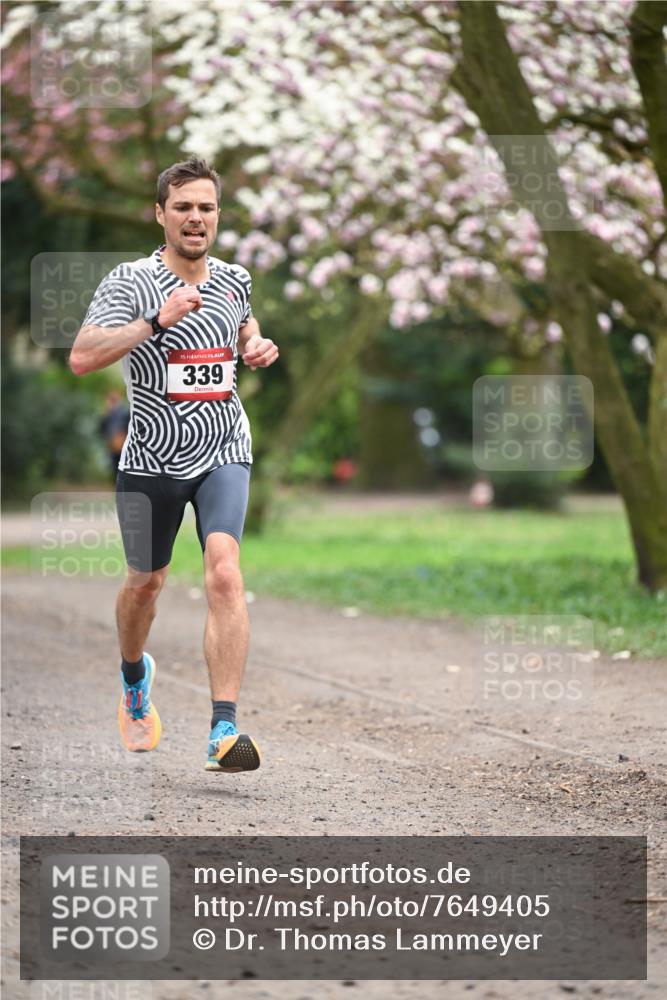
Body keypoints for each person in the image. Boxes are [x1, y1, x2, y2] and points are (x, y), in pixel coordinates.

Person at [69, 156, 279, 773]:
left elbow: (242, 323)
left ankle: (223, 730)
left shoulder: (235, 278)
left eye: (206, 207)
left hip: (222, 448)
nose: (195, 218)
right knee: (145, 583)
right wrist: (155, 321)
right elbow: (82, 357)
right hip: (152, 457)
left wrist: (254, 344)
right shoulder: (130, 281)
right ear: (160, 214)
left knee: (224, 573)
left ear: (218, 216)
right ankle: (135, 680)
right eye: (183, 206)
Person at [99, 388, 130, 477]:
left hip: (122, 445)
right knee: (114, 468)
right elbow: (102, 428)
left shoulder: (124, 412)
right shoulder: (107, 413)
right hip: (112, 445)